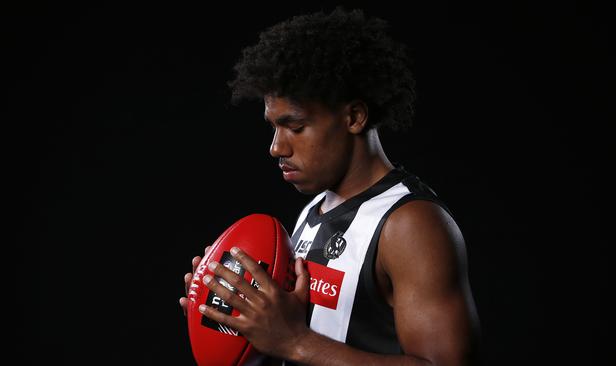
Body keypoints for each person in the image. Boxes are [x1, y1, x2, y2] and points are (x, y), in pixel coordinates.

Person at [179, 7, 480, 365]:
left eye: (296, 126)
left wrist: (295, 342)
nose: (277, 147)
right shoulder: (314, 211)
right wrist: (241, 322)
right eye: (274, 127)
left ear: (353, 117)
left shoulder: (410, 225)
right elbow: (305, 343)